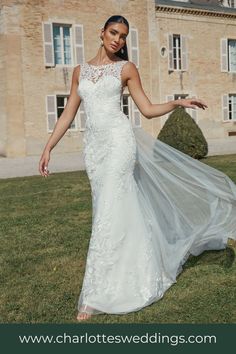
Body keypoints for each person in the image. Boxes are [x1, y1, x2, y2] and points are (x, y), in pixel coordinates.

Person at [39, 15, 236, 322]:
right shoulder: (80, 71)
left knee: (108, 211)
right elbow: (68, 115)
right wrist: (48, 146)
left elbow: (146, 109)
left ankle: (93, 295)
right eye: (113, 32)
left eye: (123, 36)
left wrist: (176, 104)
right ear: (101, 32)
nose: (118, 39)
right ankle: (132, 268)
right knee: (112, 210)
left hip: (119, 144)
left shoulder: (127, 68)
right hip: (94, 150)